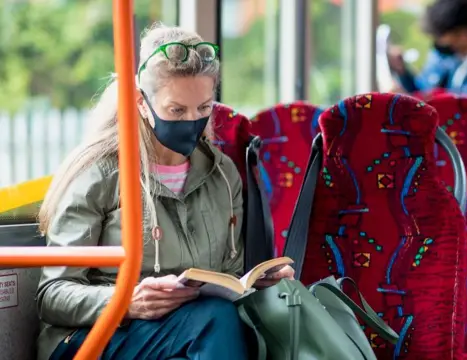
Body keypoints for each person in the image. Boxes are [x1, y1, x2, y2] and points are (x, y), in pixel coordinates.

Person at [35, 24, 294, 360]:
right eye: (176, 111)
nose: (192, 121)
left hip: (191, 331)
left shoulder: (222, 174)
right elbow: (52, 294)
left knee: (225, 323)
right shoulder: (100, 174)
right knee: (215, 322)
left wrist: (256, 283)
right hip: (97, 335)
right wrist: (127, 302)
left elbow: (229, 277)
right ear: (142, 103)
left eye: (203, 109)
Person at [387, 0, 467, 102]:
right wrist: (402, 72)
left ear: (464, 34)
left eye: (446, 41)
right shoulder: (442, 54)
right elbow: (423, 88)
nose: (440, 45)